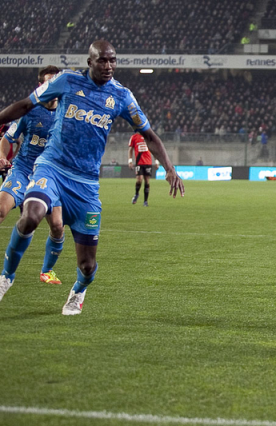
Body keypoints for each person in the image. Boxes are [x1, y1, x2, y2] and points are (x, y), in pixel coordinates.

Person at [0, 40, 184, 315]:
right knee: (31, 214)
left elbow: (148, 134)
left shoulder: (121, 96)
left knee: (86, 265)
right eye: (102, 61)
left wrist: (169, 167)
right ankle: (6, 278)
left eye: (112, 61)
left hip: (85, 184)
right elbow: (26, 104)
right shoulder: (66, 81)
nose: (108, 66)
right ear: (90, 62)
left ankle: (79, 290)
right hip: (52, 167)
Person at [0, 66, 65, 285]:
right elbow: (8, 138)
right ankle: (7, 275)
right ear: (41, 86)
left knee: (57, 226)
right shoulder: (28, 110)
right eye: (48, 84)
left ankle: (47, 271)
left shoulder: (68, 112)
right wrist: (1, 156)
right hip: (24, 169)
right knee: (1, 209)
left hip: (50, 175)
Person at [128, 132, 159, 207]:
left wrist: (156, 161)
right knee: (139, 179)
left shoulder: (148, 136)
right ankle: (136, 194)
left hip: (148, 162)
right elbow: (130, 149)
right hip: (139, 162)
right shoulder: (134, 137)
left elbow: (154, 149)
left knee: (147, 181)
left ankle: (145, 201)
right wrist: (130, 161)